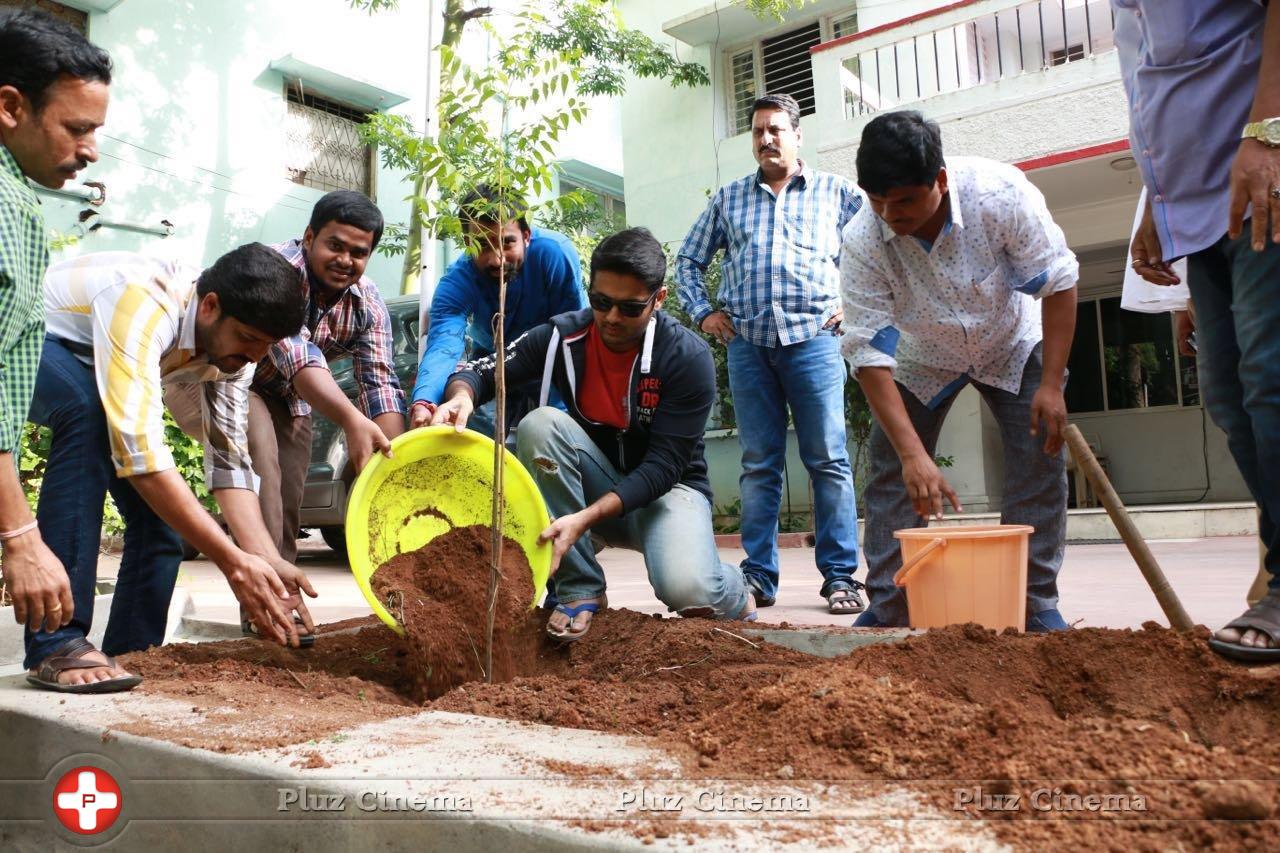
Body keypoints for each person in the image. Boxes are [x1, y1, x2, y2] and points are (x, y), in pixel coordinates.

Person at [432, 227, 754, 640]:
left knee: (689, 589)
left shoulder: (686, 357)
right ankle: (579, 588)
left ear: (659, 299)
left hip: (668, 493)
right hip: (597, 482)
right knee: (540, 424)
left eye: (630, 307)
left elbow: (664, 467)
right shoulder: (560, 338)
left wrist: (583, 519)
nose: (612, 318)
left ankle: (734, 588)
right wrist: (461, 397)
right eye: (601, 302)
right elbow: (480, 371)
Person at [26, 245, 317, 693]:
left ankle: (131, 652)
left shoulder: (236, 351)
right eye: (247, 340)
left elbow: (228, 463)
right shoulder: (143, 302)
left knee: (163, 527)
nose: (254, 357)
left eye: (265, 347)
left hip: (92, 363)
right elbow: (140, 457)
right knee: (85, 414)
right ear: (210, 305)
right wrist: (230, 562)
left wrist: (265, 561)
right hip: (28, 339)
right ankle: (56, 644)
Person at [840, 110, 1079, 632]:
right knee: (891, 474)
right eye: (877, 200)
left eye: (903, 200)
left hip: (1010, 342)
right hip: (921, 356)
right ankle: (890, 602)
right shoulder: (862, 238)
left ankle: (1034, 602)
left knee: (1039, 461)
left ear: (940, 181)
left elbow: (1059, 283)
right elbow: (866, 354)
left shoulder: (1000, 195)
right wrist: (913, 455)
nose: (889, 214)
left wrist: (1052, 384)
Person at [1114, 0, 1280, 660]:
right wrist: (1158, 199)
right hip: (1199, 198)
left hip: (1262, 171)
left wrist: (1270, 132)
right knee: (1228, 395)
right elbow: (1153, 84)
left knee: (1271, 379)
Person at [676, 92, 864, 615]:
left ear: (797, 135)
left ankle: (842, 577)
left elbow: (878, 245)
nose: (766, 139)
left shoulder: (835, 192)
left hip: (815, 342)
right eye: (758, 131)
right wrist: (703, 313)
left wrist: (855, 302)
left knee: (828, 460)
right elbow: (688, 260)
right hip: (749, 347)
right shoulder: (729, 199)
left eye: (776, 130)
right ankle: (758, 577)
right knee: (759, 465)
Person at [170, 191, 405, 568]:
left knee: (290, 492)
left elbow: (379, 382)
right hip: (217, 374)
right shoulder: (276, 270)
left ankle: (282, 584)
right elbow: (296, 355)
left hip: (289, 395)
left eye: (358, 253)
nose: (345, 260)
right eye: (335, 245)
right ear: (310, 237)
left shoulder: (367, 303)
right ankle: (268, 597)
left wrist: (394, 461)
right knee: (261, 455)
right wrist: (351, 420)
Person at [0, 9, 109, 653]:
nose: (91, 149)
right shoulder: (8, 210)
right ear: (11, 106)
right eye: (78, 128)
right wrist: (21, 537)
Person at [410, 184, 584, 438]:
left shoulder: (554, 254)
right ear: (468, 242)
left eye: (507, 242)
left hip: (551, 357)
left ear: (526, 235)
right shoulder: (457, 281)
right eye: (482, 244)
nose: (497, 260)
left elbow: (574, 331)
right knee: (470, 429)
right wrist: (425, 400)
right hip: (492, 357)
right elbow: (444, 345)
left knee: (554, 434)